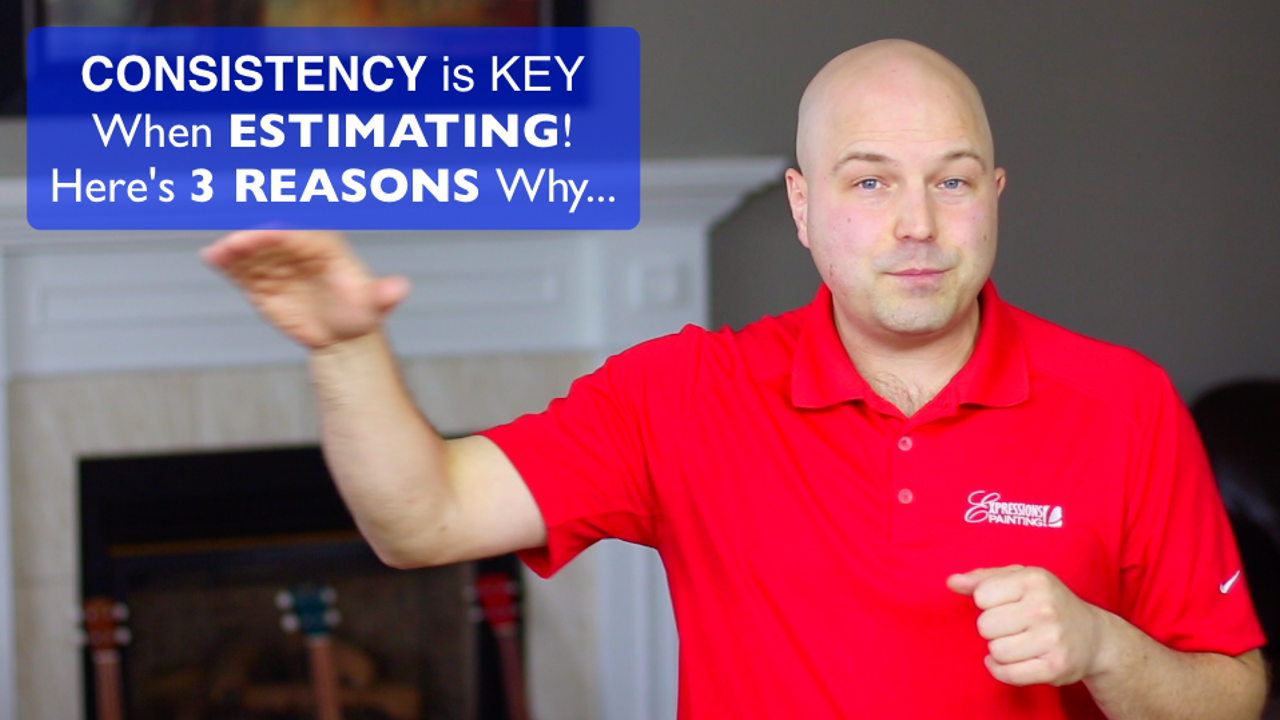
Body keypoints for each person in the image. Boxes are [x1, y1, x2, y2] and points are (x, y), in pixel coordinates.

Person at [201, 39, 1267, 718]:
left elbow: (1232, 697)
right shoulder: (684, 395)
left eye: (950, 181)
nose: (916, 223)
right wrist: (342, 351)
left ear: (992, 194)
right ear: (801, 206)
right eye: (869, 183)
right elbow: (421, 519)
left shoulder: (1121, 403)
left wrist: (1102, 647)